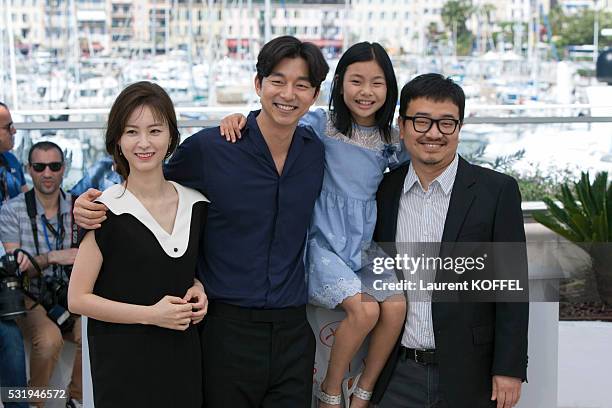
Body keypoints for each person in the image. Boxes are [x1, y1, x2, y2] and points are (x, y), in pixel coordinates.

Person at [72, 36, 330, 408]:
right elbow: (147, 181)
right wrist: (89, 203)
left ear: (314, 94)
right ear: (258, 85)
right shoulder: (212, 149)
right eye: (277, 80)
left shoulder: (314, 151)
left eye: (301, 85)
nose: (288, 93)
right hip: (226, 329)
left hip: (293, 329)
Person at [219, 41, 407, 408]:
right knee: (366, 310)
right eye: (356, 81)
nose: (365, 92)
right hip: (321, 243)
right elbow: (277, 117)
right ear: (338, 85)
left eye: (376, 83)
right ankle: (331, 389)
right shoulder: (321, 123)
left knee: (397, 306)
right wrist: (236, 117)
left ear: (389, 88)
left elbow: (418, 161)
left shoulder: (390, 139)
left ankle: (365, 388)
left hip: (360, 246)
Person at [370, 73, 529, 408]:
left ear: (459, 127)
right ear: (403, 125)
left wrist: (509, 369)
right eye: (422, 121)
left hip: (471, 375)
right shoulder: (383, 191)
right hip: (397, 373)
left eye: (446, 123)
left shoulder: (496, 191)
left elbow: (511, 287)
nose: (433, 133)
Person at [67, 82, 208, 408]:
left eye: (154, 130)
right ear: (117, 140)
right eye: (131, 132)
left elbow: (179, 268)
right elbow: (77, 298)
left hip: (181, 360)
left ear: (171, 136)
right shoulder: (104, 210)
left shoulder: (197, 205)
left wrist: (199, 287)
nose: (143, 143)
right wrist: (150, 315)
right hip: (122, 366)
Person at [0, 141, 83, 408]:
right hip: (30, 295)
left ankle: (77, 400)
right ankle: (34, 403)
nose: (47, 173)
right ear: (29, 170)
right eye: (39, 166)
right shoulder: (12, 210)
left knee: (93, 334)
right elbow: (17, 268)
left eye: (54, 166)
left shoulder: (78, 208)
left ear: (64, 169)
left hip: (68, 294)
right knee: (48, 341)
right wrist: (52, 257)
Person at [0, 101, 28, 408]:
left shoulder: (11, 162)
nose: (14, 131)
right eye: (8, 127)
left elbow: (21, 203)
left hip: (8, 270)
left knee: (11, 343)